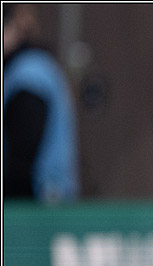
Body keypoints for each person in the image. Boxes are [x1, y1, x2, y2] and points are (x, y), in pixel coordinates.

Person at [2, 3, 79, 203]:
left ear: (12, 29)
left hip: (38, 200)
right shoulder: (19, 69)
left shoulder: (30, 72)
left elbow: (24, 148)